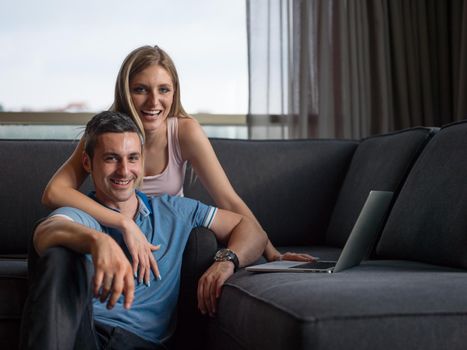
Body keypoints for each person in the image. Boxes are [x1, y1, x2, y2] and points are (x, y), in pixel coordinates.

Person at [42, 45, 313, 287]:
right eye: (140, 90)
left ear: (175, 92)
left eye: (163, 90)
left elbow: (228, 199)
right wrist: (124, 223)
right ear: (126, 91)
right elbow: (54, 192)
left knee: (203, 240)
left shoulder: (184, 131)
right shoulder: (108, 133)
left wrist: (272, 253)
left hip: (168, 241)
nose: (153, 102)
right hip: (116, 234)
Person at [20, 111, 267, 349]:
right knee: (59, 255)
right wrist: (98, 241)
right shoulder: (84, 214)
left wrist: (227, 260)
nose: (124, 170)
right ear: (87, 162)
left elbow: (251, 230)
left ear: (142, 160)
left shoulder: (173, 210)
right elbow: (45, 232)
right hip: (85, 337)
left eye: (132, 158)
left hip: (140, 342)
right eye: (111, 158)